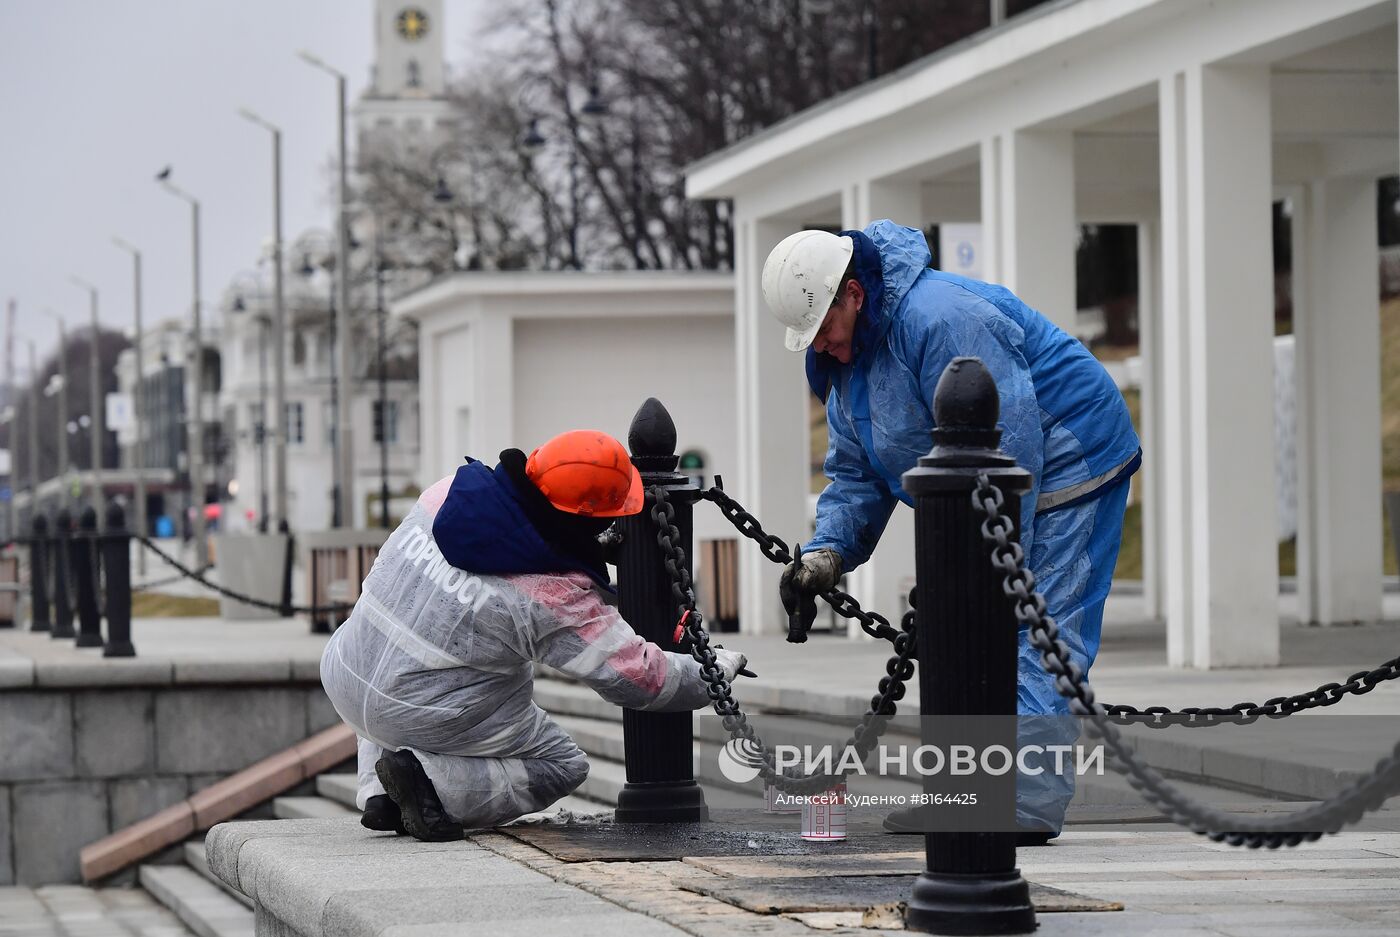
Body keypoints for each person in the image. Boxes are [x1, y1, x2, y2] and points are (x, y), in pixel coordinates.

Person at [762, 221, 1141, 839]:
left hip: (1073, 457)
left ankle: (1027, 801)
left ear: (854, 294)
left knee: (1036, 624)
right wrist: (827, 554)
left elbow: (1009, 439)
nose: (821, 347)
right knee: (968, 628)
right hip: (998, 482)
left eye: (824, 330)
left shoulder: (943, 319)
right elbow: (855, 472)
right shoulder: (848, 363)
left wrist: (988, 556)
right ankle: (966, 797)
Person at [319, 430, 747, 841]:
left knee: (398, 647)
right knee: (560, 764)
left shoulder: (446, 492)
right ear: (589, 520)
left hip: (344, 669)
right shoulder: (552, 597)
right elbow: (640, 679)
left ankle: (379, 795)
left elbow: (521, 535)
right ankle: (432, 786)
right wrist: (718, 667)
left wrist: (588, 552)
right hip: (418, 709)